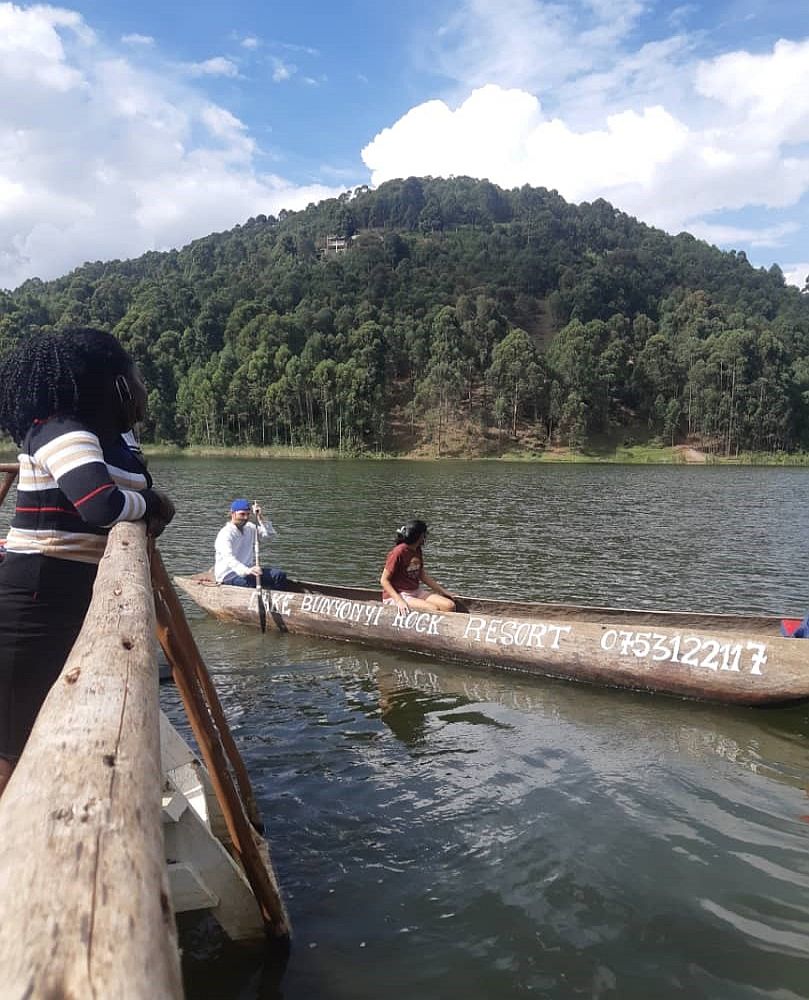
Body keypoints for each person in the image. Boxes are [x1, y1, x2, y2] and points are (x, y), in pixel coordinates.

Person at [0, 327, 175, 797]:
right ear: (114, 381)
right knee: (11, 747)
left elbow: (120, 500)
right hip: (36, 599)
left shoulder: (116, 439)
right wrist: (156, 504)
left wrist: (147, 502)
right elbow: (98, 505)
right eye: (134, 373)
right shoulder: (60, 429)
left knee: (54, 719)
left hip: (78, 593)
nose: (141, 384)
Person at [380, 519, 456, 613]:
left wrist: (443, 591)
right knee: (433, 609)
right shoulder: (398, 552)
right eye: (425, 535)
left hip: (415, 591)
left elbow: (422, 575)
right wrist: (399, 600)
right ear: (420, 536)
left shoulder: (417, 550)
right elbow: (384, 580)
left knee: (449, 606)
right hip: (398, 595)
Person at [214, 499, 288, 590]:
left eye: (248, 514)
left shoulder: (249, 528)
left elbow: (269, 536)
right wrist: (247, 570)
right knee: (254, 584)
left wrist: (260, 517)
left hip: (250, 572)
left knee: (279, 575)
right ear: (233, 514)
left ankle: (276, 598)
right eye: (242, 514)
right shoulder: (225, 533)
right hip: (229, 575)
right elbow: (229, 558)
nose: (245, 517)